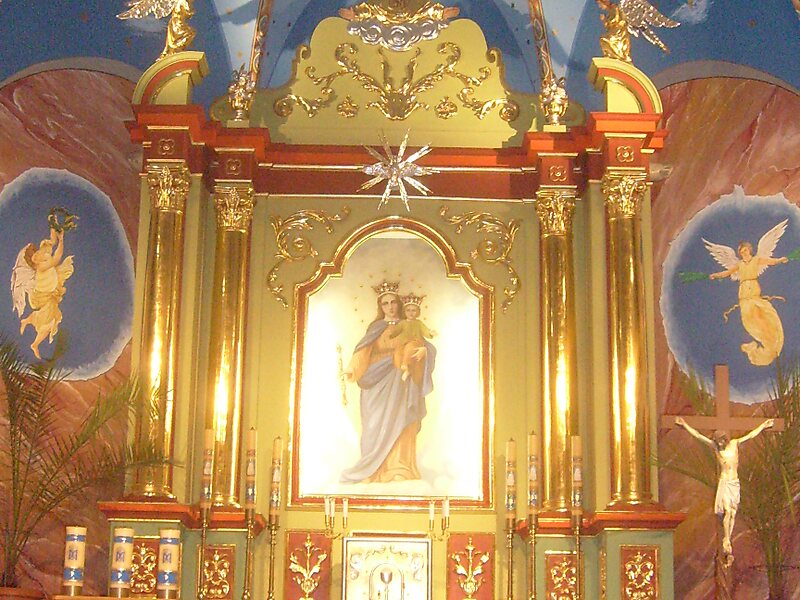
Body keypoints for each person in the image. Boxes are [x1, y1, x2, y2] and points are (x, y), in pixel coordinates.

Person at [340, 280, 436, 483]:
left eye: (393, 302)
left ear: (399, 304)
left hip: (402, 382)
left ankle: (399, 468)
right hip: (376, 381)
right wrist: (352, 369)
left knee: (402, 421)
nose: (390, 307)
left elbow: (423, 344)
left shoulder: (408, 325)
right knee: (374, 425)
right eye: (385, 303)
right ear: (380, 307)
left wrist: (424, 351)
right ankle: (370, 470)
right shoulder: (376, 328)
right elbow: (362, 351)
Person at [675, 416, 775, 562]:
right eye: (717, 442)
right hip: (725, 482)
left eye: (721, 441)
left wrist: (763, 426)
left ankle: (729, 538)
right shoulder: (716, 448)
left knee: (733, 512)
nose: (720, 444)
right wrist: (684, 424)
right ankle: (726, 539)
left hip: (734, 482)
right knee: (728, 510)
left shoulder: (734, 444)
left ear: (725, 439)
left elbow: (751, 435)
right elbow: (698, 436)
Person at [708, 237, 789, 366]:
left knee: (764, 313)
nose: (744, 253)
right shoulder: (740, 264)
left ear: (749, 250)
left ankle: (771, 338)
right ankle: (764, 342)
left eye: (745, 250)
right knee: (748, 319)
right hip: (744, 293)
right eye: (741, 252)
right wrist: (715, 275)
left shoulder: (756, 260)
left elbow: (770, 261)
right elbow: (727, 273)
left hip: (754, 291)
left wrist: (780, 260)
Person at [12, 227, 75, 359]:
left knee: (50, 317)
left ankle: (27, 322)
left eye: (35, 252)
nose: (36, 253)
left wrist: (54, 227)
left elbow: (51, 241)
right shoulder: (40, 265)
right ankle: (34, 343)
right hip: (41, 296)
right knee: (50, 320)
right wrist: (61, 240)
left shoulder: (42, 252)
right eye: (33, 254)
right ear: (33, 261)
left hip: (48, 293)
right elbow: (56, 258)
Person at [388, 293, 436, 382]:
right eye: (408, 310)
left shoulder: (419, 323)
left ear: (417, 312)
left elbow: (425, 331)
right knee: (397, 353)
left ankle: (406, 366)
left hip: (415, 343)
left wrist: (430, 333)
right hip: (403, 344)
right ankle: (405, 369)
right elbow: (396, 331)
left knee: (409, 349)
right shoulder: (402, 323)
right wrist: (391, 334)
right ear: (404, 312)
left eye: (413, 310)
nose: (411, 313)